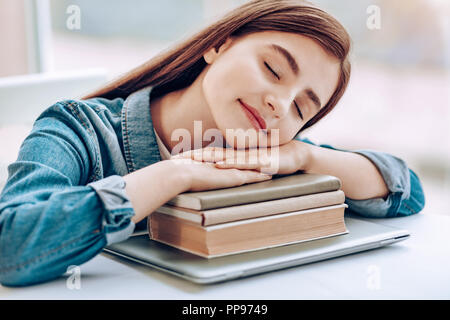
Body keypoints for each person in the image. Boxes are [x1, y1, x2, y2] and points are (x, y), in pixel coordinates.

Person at [0, 0, 425, 287]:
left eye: (301, 109)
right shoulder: (79, 129)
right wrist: (175, 174)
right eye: (273, 69)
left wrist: (306, 154)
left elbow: (407, 190)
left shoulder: (269, 150)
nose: (280, 104)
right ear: (219, 46)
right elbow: (11, 245)